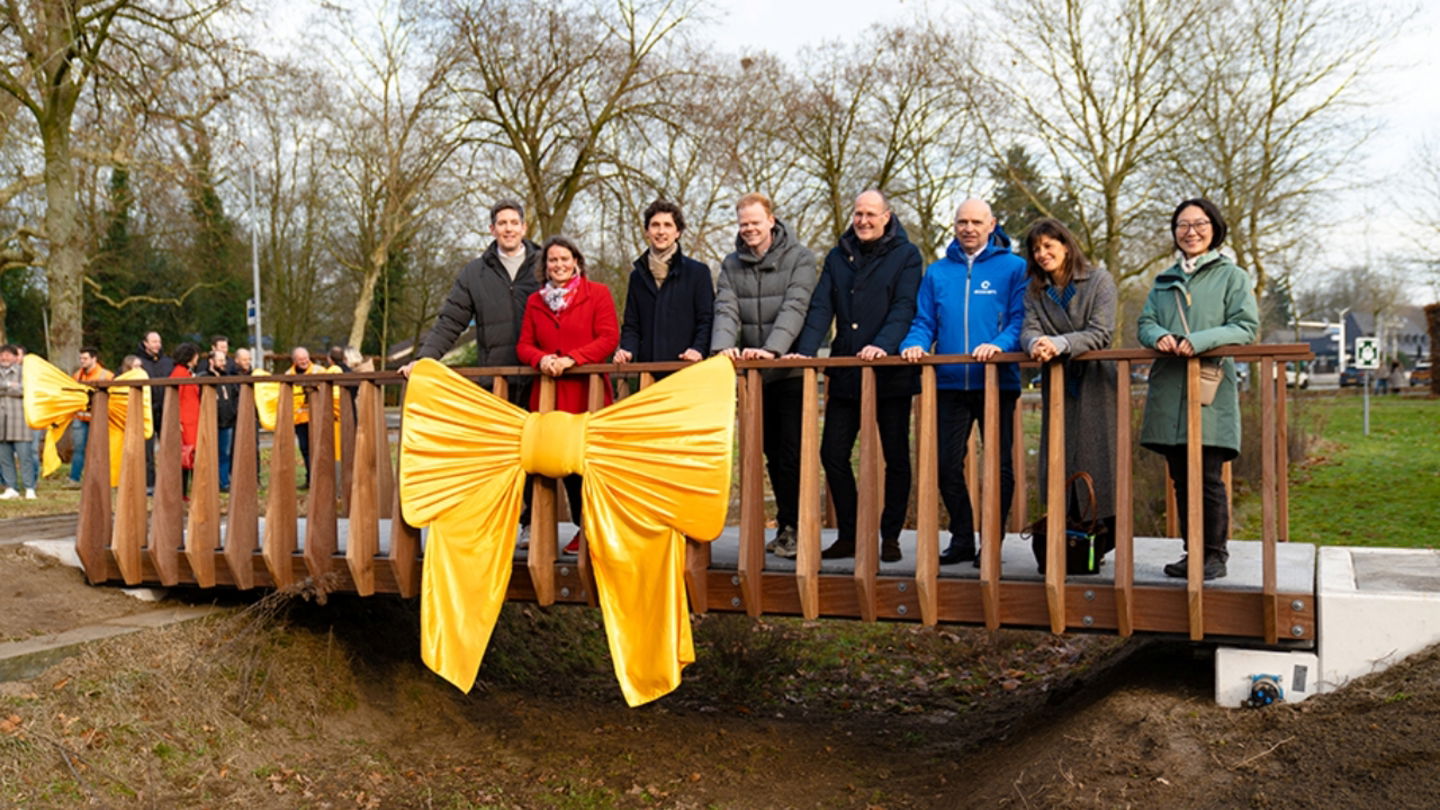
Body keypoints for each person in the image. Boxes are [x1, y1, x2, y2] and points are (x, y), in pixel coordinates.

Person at [791, 189, 921, 563]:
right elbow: (821, 306)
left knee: (895, 457)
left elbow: (905, 306)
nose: (863, 221)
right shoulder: (838, 255)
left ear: (886, 216)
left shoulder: (906, 255)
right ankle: (849, 533)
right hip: (847, 371)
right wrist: (807, 349)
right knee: (832, 453)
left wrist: (883, 344)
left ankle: (890, 535)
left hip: (890, 374)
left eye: (870, 214)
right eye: (858, 214)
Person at [1137, 197, 1260, 581]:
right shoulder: (1162, 281)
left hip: (1209, 389)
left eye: (1199, 224)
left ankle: (1214, 555)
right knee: (1179, 476)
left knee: (1207, 476)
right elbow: (1145, 323)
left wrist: (1200, 340)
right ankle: (1193, 551)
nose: (1191, 232)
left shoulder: (1232, 276)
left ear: (1214, 228)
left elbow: (1245, 326)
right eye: (1183, 226)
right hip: (1171, 390)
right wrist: (1161, 337)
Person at [900, 198, 1027, 566]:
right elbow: (924, 321)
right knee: (945, 464)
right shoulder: (938, 273)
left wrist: (998, 346)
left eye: (975, 222)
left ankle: (992, 542)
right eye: (961, 222)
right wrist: (914, 345)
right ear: (954, 226)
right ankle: (961, 537)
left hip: (997, 382)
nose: (968, 228)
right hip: (950, 384)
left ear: (992, 225)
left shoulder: (1014, 268)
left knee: (999, 466)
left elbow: (1019, 322)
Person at [712, 193, 819, 558]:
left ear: (771, 220)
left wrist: (772, 350)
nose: (749, 229)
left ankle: (800, 525)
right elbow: (726, 307)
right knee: (769, 451)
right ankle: (786, 524)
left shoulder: (800, 259)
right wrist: (723, 347)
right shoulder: (731, 264)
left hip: (787, 367)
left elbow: (795, 305)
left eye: (755, 222)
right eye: (743, 224)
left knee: (792, 450)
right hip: (756, 376)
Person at [1019, 218, 1119, 562]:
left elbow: (1100, 331)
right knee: (1060, 457)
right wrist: (1036, 344)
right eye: (1036, 248)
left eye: (1049, 245)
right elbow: (1027, 329)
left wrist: (1059, 343)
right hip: (1058, 384)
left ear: (1066, 245)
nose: (1042, 253)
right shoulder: (1035, 290)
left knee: (1099, 459)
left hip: (1094, 384)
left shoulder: (1098, 280)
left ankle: (1101, 536)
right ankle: (1067, 536)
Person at [515, 236, 619, 555]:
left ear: (576, 261)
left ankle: (589, 525)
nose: (558, 265)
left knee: (584, 462)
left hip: (585, 392)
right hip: (548, 394)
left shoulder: (598, 294)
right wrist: (541, 359)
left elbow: (609, 337)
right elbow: (524, 344)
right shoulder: (535, 301)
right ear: (544, 266)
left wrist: (574, 358)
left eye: (564, 259)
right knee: (548, 460)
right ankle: (540, 525)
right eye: (552, 260)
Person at [401, 199, 541, 401]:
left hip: (541, 379)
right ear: (492, 229)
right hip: (495, 382)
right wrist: (424, 360)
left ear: (524, 227)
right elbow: (450, 322)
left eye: (514, 222)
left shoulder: (547, 266)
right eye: (502, 224)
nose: (508, 229)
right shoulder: (474, 273)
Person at [614, 200, 714, 374]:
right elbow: (632, 325)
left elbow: (707, 320)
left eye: (668, 225)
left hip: (688, 369)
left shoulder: (698, 273)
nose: (661, 231)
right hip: (648, 373)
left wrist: (698, 349)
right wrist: (627, 350)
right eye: (655, 225)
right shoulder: (636, 277)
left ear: (678, 232)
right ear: (647, 232)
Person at [67, 347, 114, 488]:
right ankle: (74, 479)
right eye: (81, 358)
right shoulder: (77, 375)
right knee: (79, 449)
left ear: (94, 359)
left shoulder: (106, 375)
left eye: (85, 358)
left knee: (99, 449)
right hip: (81, 417)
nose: (82, 361)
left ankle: (99, 478)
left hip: (98, 418)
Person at [285, 346, 329, 489]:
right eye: (300, 359)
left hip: (317, 417)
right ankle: (310, 477)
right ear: (294, 361)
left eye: (305, 358)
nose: (304, 361)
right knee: (305, 449)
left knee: (319, 448)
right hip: (299, 419)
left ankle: (320, 478)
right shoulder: (288, 375)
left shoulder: (319, 371)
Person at [137, 331, 174, 491]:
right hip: (147, 410)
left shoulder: (168, 362)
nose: (157, 345)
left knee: (169, 447)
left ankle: (169, 481)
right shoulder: (138, 362)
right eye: (153, 342)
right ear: (145, 343)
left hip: (165, 409)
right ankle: (149, 483)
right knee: (147, 450)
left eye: (158, 341)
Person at [197, 349, 237, 492]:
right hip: (211, 421)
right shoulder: (203, 377)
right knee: (209, 453)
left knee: (225, 453)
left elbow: (234, 396)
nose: (223, 363)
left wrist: (233, 412)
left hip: (227, 421)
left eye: (224, 360)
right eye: (220, 360)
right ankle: (209, 482)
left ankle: (224, 482)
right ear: (211, 361)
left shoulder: (228, 378)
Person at [0, 344, 36, 500]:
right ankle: (11, 487)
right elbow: (15, 389)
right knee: (4, 457)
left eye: (8, 355)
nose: (4, 358)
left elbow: (27, 390)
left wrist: (7, 390)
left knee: (25, 456)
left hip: (20, 420)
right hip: (1, 422)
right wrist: (9, 386)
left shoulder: (25, 372)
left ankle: (29, 487)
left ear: (16, 357)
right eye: (2, 355)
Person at [169, 343, 201, 497]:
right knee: (186, 457)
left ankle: (192, 490)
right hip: (186, 423)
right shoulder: (180, 374)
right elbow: (177, 398)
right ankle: (183, 491)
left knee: (191, 456)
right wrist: (178, 421)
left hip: (192, 421)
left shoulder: (186, 373)